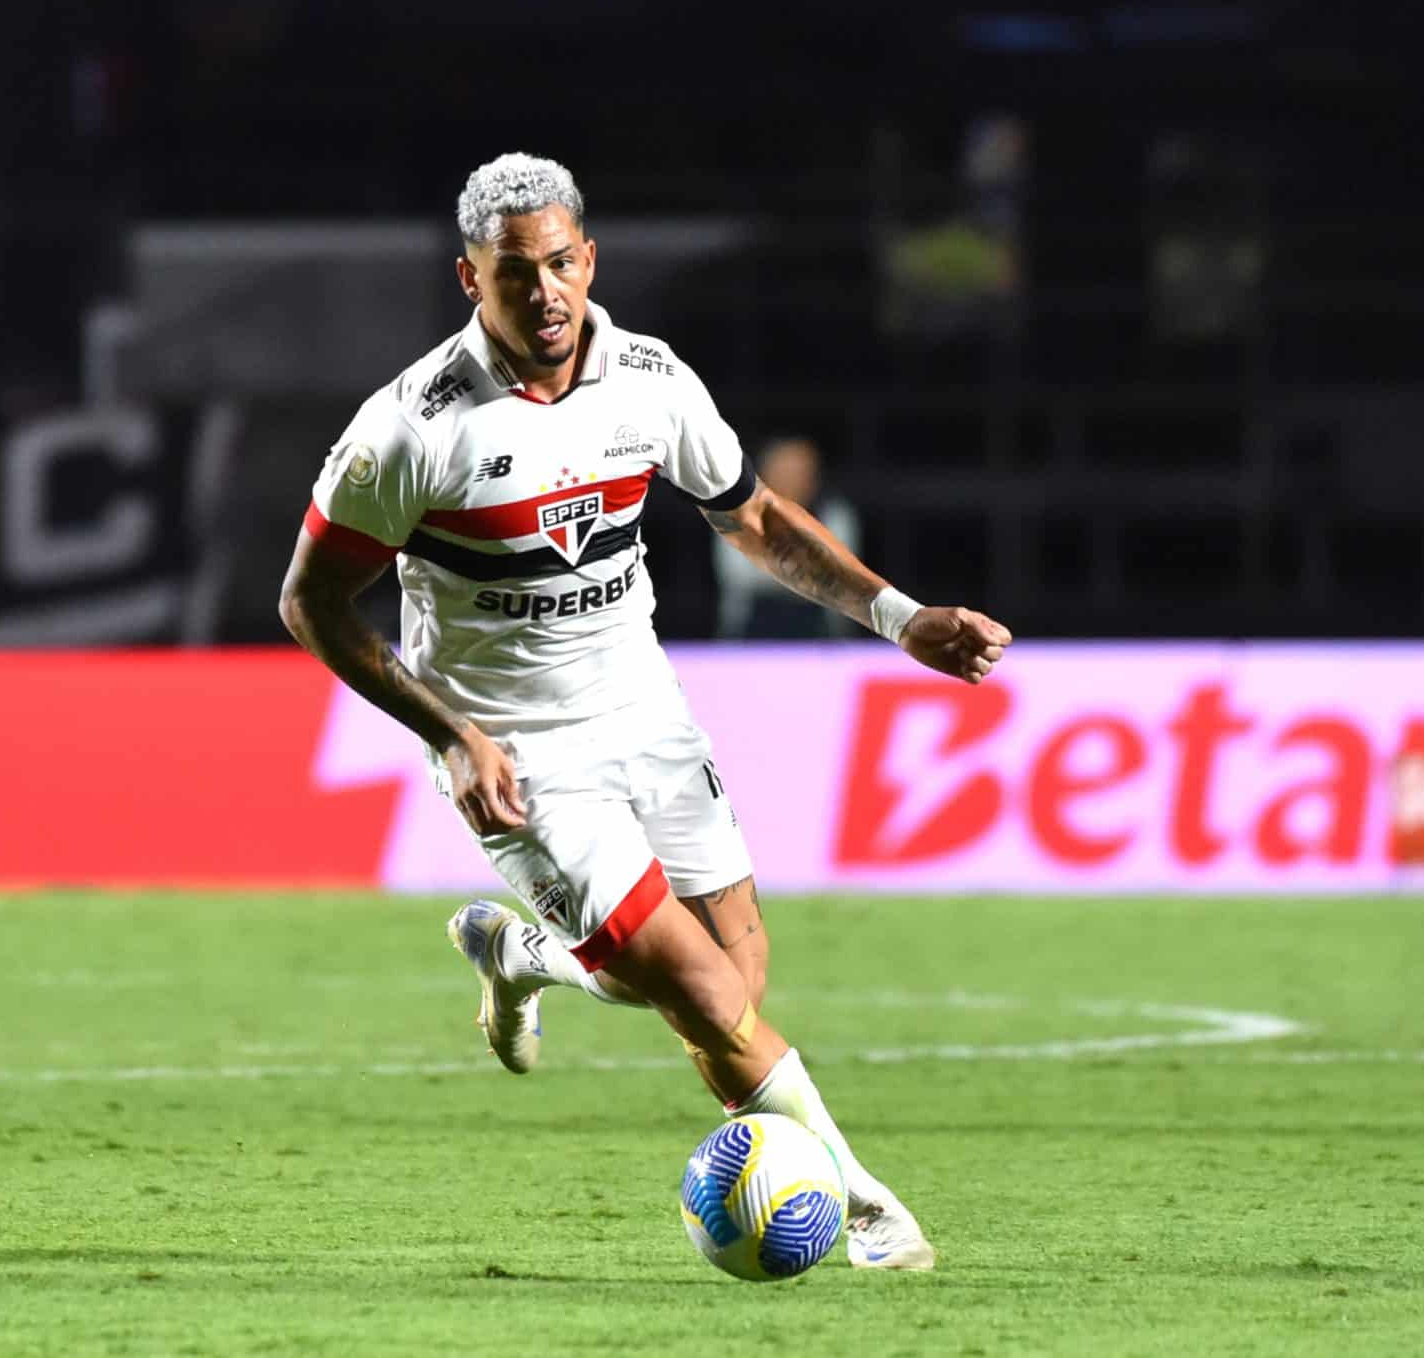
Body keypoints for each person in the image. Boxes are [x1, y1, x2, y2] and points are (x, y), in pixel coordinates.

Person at [278, 153, 1011, 1271]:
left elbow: (754, 517)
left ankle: (524, 953)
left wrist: (899, 617)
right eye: (513, 272)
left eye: (559, 263)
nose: (543, 291)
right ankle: (862, 1206)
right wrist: (451, 735)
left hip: (644, 711)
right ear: (470, 279)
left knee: (731, 982)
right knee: (707, 998)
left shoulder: (649, 378)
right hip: (515, 750)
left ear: (589, 259)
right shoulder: (411, 429)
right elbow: (310, 602)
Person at [712, 435, 862, 639]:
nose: (794, 480)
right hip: (751, 631)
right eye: (785, 471)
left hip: (819, 632)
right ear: (766, 472)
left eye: (802, 473)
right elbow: (740, 575)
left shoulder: (834, 514)